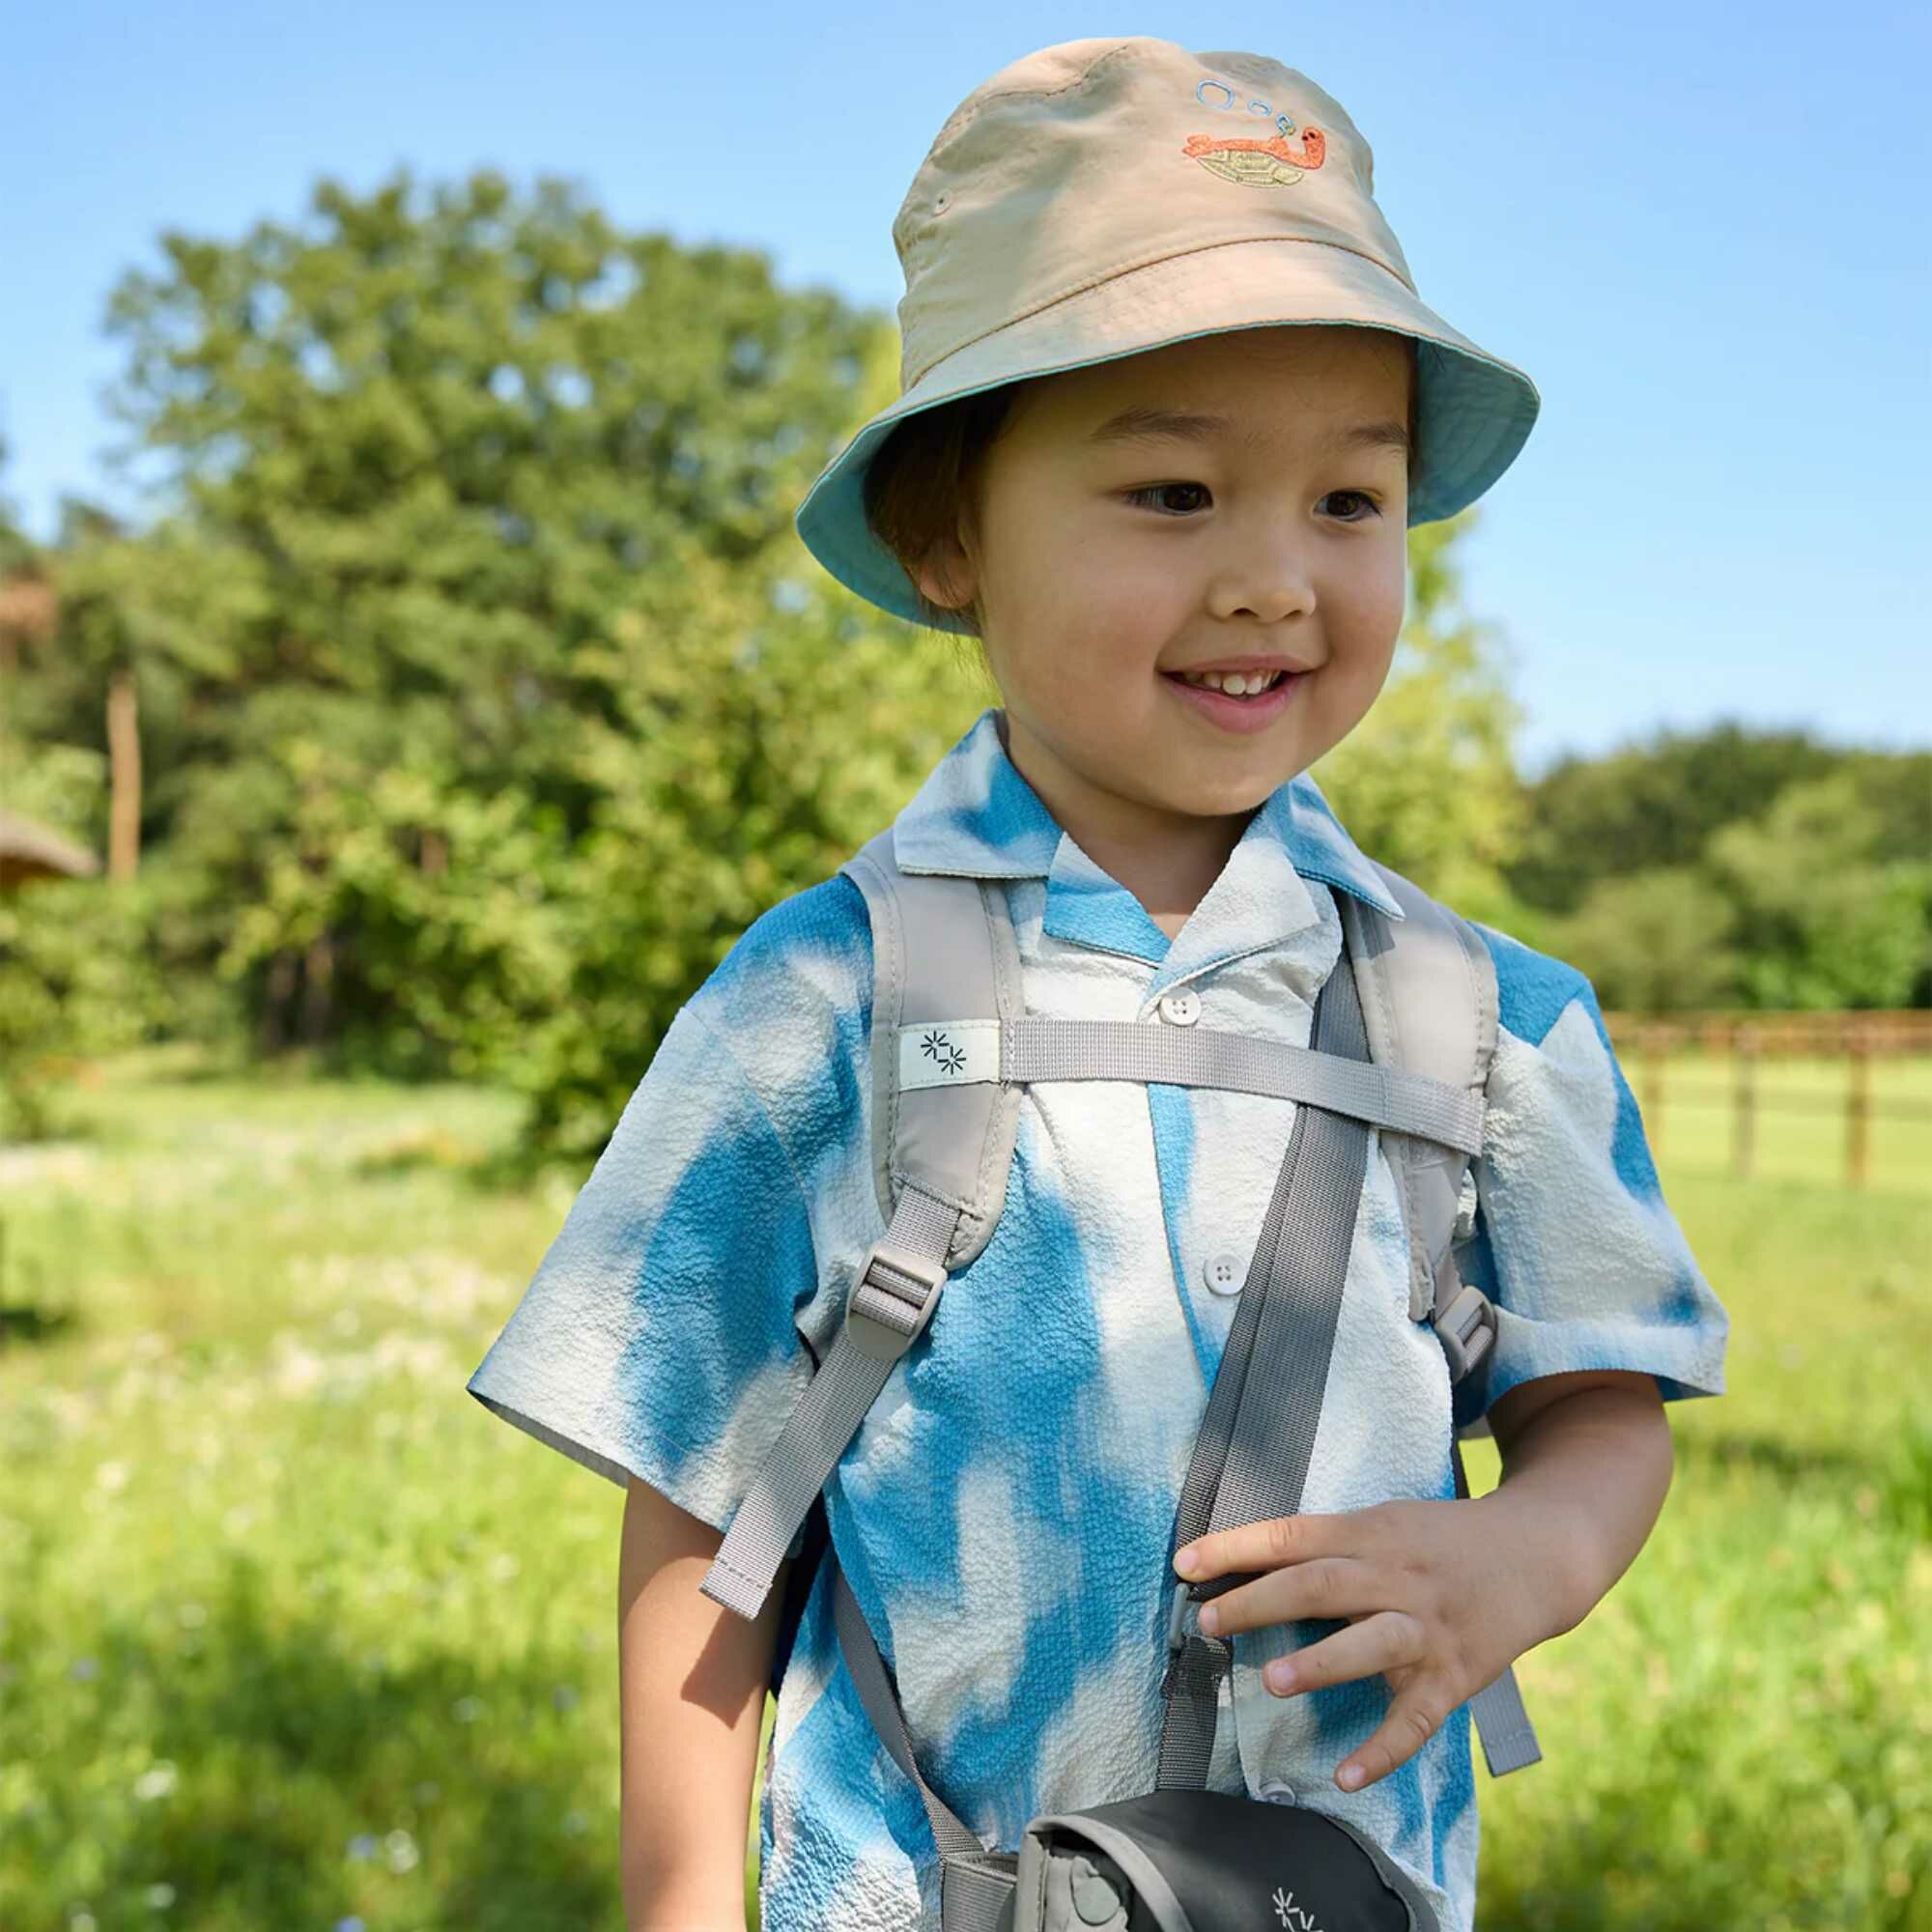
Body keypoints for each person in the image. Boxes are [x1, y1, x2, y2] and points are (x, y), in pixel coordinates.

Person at [466, 36, 1729, 1932]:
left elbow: (1599, 1405)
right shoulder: (825, 999)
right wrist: (677, 1904)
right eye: (1168, 493)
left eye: (1348, 504)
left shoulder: (1485, 1021)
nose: (1272, 581)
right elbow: (694, 1494)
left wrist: (1518, 1558)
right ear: (945, 534)